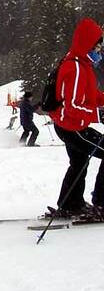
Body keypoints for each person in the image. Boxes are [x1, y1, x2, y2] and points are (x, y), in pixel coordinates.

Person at [48, 18, 104, 219]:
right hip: (73, 127)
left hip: (67, 125)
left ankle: (71, 203)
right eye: (97, 47)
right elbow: (72, 106)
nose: (99, 51)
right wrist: (98, 114)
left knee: (79, 162)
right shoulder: (76, 68)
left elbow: (89, 95)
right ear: (87, 44)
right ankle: (101, 204)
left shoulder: (80, 62)